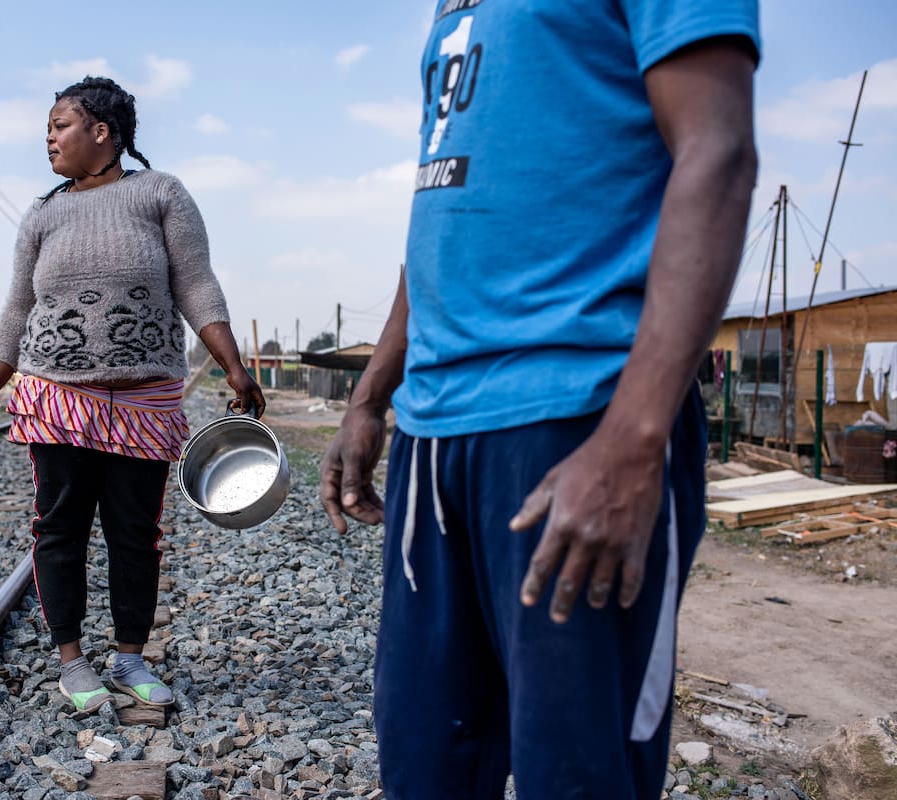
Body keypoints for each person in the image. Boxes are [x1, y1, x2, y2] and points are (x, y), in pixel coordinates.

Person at [320, 2, 759, 798]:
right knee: (426, 764)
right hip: (433, 435)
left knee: (577, 774)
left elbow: (718, 150)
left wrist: (631, 440)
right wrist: (371, 397)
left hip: (575, 422)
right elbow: (444, 202)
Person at [0, 76, 264, 714]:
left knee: (136, 531)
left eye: (60, 124)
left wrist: (234, 366)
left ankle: (130, 656)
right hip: (56, 396)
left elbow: (195, 283)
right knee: (60, 528)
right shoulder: (43, 213)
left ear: (101, 132)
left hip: (143, 400)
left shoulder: (159, 194)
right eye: (48, 127)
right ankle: (71, 661)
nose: (48, 137)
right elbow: (18, 305)